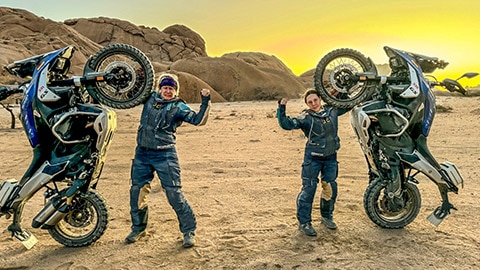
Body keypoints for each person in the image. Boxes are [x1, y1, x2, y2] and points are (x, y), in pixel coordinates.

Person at [125, 72, 211, 248]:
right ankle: (138, 229)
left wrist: (205, 101)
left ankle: (189, 231)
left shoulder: (178, 107)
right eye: (165, 87)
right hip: (142, 153)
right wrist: (140, 77)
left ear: (175, 90)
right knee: (137, 193)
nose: (168, 91)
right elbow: (130, 94)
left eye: (171, 88)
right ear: (160, 88)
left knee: (174, 194)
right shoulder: (149, 99)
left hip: (165, 154)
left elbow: (198, 120)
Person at [276, 88, 348, 236]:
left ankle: (327, 217)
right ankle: (304, 223)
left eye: (315, 100)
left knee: (330, 187)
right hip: (313, 158)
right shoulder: (306, 117)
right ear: (307, 104)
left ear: (320, 99)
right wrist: (281, 107)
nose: (313, 103)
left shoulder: (332, 111)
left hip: (331, 157)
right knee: (309, 189)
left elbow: (347, 104)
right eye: (310, 102)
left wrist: (341, 90)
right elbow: (287, 124)